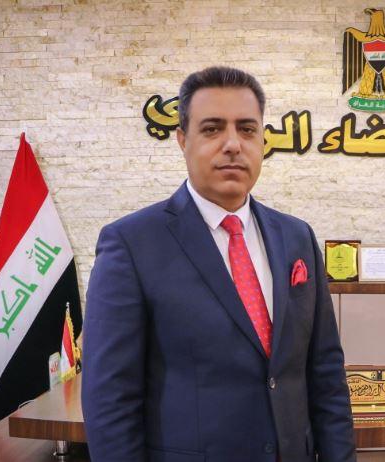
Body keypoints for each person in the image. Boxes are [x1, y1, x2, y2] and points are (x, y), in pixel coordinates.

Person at [82, 66, 356, 462]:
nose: (232, 144)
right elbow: (110, 399)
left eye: (247, 129)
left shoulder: (296, 237)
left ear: (263, 140)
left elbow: (326, 373)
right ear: (183, 140)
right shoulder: (132, 244)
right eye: (212, 129)